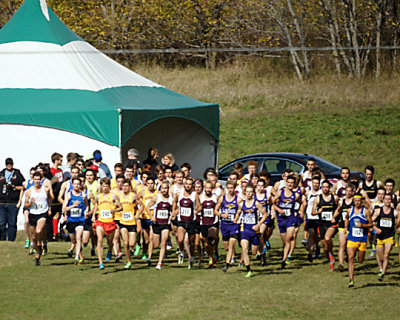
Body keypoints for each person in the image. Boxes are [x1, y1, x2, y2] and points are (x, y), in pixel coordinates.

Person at [234, 184, 267, 277]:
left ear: (253, 193)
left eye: (250, 192)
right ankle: (248, 270)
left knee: (253, 252)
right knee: (244, 249)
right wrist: (236, 219)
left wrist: (258, 225)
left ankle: (262, 253)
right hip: (244, 230)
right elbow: (238, 212)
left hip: (254, 231)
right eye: (247, 192)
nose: (248, 194)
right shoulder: (241, 204)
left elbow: (265, 214)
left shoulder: (256, 203)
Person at [92, 178, 122, 270]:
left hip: (110, 222)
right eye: (103, 186)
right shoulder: (98, 196)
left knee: (110, 241)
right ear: (101, 186)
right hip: (100, 221)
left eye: (106, 186)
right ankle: (101, 262)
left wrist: (114, 210)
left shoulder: (113, 196)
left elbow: (121, 207)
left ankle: (110, 249)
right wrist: (93, 215)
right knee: (100, 240)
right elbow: (96, 205)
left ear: (109, 186)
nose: (105, 188)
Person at [24, 171, 52, 266]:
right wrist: (30, 202)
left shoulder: (45, 189)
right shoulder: (29, 191)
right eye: (35, 179)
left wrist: (49, 208)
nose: (36, 181)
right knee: (33, 237)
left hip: (42, 213)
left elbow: (49, 198)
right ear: (32, 179)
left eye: (38, 179)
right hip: (33, 214)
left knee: (39, 231)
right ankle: (37, 253)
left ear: (41, 180)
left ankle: (41, 244)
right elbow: (26, 206)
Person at [345, 193, 373, 287]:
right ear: (353, 201)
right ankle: (351, 279)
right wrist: (346, 227)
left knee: (360, 260)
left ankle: (360, 257)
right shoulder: (350, 211)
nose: (357, 202)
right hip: (351, 238)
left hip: (362, 239)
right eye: (355, 201)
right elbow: (346, 218)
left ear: (361, 201)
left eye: (359, 201)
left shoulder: (366, 212)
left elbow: (371, 224)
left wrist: (363, 225)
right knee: (350, 258)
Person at [272, 175, 300, 269]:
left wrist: (300, 211)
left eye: (292, 183)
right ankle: (286, 254)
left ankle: (284, 259)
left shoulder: (295, 195)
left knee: (288, 238)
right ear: (286, 183)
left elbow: (302, 203)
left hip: (291, 219)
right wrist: (278, 209)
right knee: (285, 242)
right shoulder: (281, 192)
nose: (290, 184)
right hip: (281, 220)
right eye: (289, 182)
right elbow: (272, 203)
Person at [172, 177, 199, 269]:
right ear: (184, 185)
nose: (188, 185)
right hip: (181, 221)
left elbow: (199, 206)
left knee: (191, 243)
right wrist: (173, 212)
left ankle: (191, 257)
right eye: (186, 184)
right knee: (180, 240)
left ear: (192, 186)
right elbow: (174, 202)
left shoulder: (195, 195)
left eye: (189, 184)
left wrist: (197, 211)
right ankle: (181, 251)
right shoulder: (179, 194)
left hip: (191, 221)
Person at [215, 180, 242, 272]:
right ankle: (231, 256)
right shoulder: (222, 199)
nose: (230, 190)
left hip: (234, 226)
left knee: (231, 246)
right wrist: (222, 215)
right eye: (229, 188)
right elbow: (215, 211)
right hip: (224, 225)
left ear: (234, 188)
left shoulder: (238, 199)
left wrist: (237, 216)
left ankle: (226, 265)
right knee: (226, 247)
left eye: (232, 188)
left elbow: (242, 210)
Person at [312, 180, 339, 271]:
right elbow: (312, 212)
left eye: (327, 187)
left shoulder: (334, 198)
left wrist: (335, 216)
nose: (325, 189)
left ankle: (331, 258)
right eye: (323, 187)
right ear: (321, 187)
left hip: (331, 223)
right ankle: (330, 256)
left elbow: (338, 209)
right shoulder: (318, 198)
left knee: (328, 238)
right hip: (321, 224)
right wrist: (317, 212)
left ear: (329, 188)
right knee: (325, 247)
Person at [146, 181, 173, 270]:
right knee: (155, 244)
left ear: (168, 189)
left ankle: (159, 263)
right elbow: (147, 207)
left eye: (166, 188)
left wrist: (173, 215)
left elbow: (175, 209)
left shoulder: (171, 199)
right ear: (160, 189)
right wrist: (151, 217)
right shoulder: (156, 197)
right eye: (163, 188)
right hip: (157, 223)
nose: (164, 190)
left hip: (166, 224)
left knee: (164, 242)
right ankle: (149, 257)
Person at [372, 193, 399, 281]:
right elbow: (370, 222)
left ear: (391, 201)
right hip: (380, 237)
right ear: (383, 200)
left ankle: (383, 273)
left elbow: (397, 224)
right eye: (386, 199)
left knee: (386, 255)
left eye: (389, 199)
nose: (387, 201)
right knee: (381, 257)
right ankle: (382, 268)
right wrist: (375, 228)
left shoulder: (394, 212)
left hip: (389, 237)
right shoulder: (378, 211)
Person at [62, 177, 89, 265]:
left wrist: (86, 212)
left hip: (80, 220)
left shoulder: (83, 195)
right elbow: (64, 208)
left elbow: (87, 205)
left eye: (78, 184)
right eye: (75, 184)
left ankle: (77, 256)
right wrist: (73, 206)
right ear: (72, 185)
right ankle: (79, 256)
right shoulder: (68, 195)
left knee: (78, 238)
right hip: (71, 221)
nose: (77, 186)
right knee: (73, 240)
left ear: (80, 185)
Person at [0, 158, 25, 241]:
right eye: (7, 164)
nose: (9, 165)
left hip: (13, 203)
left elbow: (23, 186)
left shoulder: (17, 174)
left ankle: (11, 240)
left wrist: (14, 187)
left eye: (10, 164)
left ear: (13, 164)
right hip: (2, 203)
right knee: (1, 223)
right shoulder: (1, 174)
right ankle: (2, 240)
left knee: (12, 223)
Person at [119, 179, 142, 269]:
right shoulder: (119, 196)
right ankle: (128, 261)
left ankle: (136, 245)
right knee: (125, 243)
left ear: (129, 187)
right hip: (123, 222)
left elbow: (141, 205)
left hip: (132, 222)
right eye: (123, 186)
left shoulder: (133, 196)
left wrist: (138, 214)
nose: (125, 188)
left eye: (126, 186)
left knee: (131, 244)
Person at [333, 184, 355, 271]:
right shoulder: (342, 202)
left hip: (353, 227)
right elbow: (338, 210)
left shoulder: (355, 201)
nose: (348, 193)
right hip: (342, 226)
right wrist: (333, 217)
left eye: (350, 191)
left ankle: (349, 257)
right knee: (342, 244)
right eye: (347, 190)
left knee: (350, 246)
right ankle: (341, 264)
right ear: (345, 191)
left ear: (353, 192)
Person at [199, 180, 219, 269]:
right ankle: (211, 256)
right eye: (206, 187)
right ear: (204, 188)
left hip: (213, 222)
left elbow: (219, 208)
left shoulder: (216, 197)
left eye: (210, 188)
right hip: (203, 222)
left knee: (211, 238)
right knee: (206, 244)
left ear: (212, 189)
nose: (208, 189)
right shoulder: (200, 197)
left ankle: (214, 252)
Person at [138, 175, 158, 265]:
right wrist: (140, 209)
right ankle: (144, 252)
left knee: (151, 238)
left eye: (152, 184)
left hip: (153, 217)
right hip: (144, 217)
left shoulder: (158, 193)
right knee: (146, 239)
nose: (150, 185)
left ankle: (149, 258)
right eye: (148, 183)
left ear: (154, 184)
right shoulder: (143, 192)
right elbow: (136, 200)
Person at [301, 176, 321, 262]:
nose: (315, 185)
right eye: (314, 183)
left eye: (317, 183)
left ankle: (316, 246)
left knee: (317, 236)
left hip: (319, 217)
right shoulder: (308, 193)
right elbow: (304, 203)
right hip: (310, 217)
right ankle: (310, 253)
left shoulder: (321, 193)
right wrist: (302, 212)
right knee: (311, 233)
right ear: (311, 184)